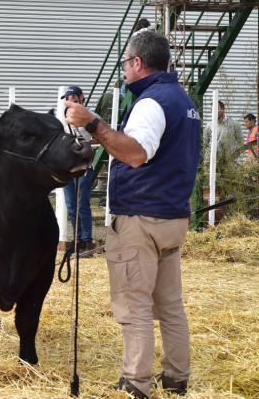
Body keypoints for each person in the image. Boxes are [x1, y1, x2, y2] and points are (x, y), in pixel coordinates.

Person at [65, 30, 200, 399]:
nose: (124, 70)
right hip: (172, 217)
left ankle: (136, 383)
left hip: (142, 218)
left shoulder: (151, 102)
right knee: (169, 304)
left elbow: (137, 153)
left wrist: (93, 124)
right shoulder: (182, 100)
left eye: (125, 63)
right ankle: (176, 377)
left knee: (133, 304)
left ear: (138, 62)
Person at [61, 86, 97, 257]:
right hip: (67, 168)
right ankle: (77, 241)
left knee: (82, 205)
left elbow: (97, 137)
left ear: (81, 98)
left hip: (83, 167)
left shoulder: (90, 117)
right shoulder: (62, 119)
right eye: (68, 98)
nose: (70, 101)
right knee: (71, 206)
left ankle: (86, 240)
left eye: (73, 97)